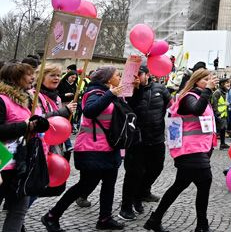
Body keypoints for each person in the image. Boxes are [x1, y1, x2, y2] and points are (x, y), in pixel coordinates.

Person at [42, 66, 127, 231]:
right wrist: (111, 94)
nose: (120, 77)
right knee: (84, 185)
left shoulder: (114, 94)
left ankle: (105, 218)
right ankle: (52, 215)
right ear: (108, 79)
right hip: (92, 149)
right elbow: (89, 111)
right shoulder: (94, 93)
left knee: (109, 184)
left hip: (110, 147)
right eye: (118, 75)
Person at [144, 68, 217, 232]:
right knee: (203, 183)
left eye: (210, 79)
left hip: (198, 151)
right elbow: (196, 110)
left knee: (180, 185)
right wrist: (208, 90)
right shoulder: (188, 98)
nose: (208, 82)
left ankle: (155, 220)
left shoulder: (201, 97)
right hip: (190, 151)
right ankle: (201, 226)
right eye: (205, 79)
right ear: (196, 81)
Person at [0, 63, 50, 232]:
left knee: (19, 210)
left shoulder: (26, 99)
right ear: (15, 77)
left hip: (21, 164)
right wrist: (24, 126)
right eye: (28, 74)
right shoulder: (2, 99)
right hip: (3, 164)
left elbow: (27, 125)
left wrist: (38, 124)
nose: (33, 78)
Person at [119, 66, 172, 221]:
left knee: (156, 168)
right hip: (137, 140)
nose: (136, 77)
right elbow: (128, 107)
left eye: (140, 74)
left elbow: (173, 107)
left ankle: (140, 193)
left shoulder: (160, 89)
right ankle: (126, 206)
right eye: (134, 75)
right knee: (133, 173)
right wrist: (136, 89)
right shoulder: (128, 91)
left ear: (147, 75)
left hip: (156, 138)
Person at [212, 78, 231, 149]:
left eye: (229, 83)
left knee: (223, 129)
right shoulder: (218, 92)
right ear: (222, 84)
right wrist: (217, 114)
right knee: (217, 129)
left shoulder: (224, 92)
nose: (228, 84)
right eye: (226, 83)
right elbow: (214, 103)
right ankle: (212, 144)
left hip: (223, 114)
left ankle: (222, 144)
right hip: (219, 114)